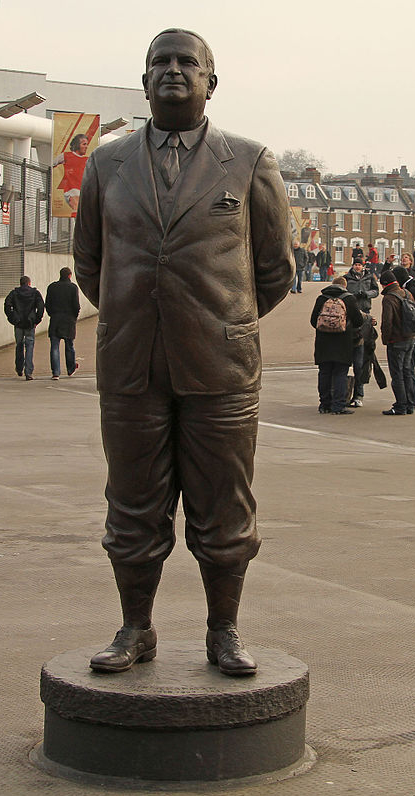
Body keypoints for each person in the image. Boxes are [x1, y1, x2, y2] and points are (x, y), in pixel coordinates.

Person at [73, 28, 295, 677]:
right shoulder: (106, 164)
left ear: (210, 82)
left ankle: (223, 630)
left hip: (221, 367)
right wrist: (137, 315)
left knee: (224, 505)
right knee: (132, 503)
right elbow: (90, 262)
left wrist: (221, 322)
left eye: (186, 62)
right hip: (131, 366)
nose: (172, 71)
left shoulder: (251, 162)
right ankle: (135, 628)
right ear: (144, 82)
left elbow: (275, 271)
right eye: (159, 63)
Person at [311, 276, 364, 414]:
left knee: (324, 372)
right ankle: (338, 406)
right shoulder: (349, 299)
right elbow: (359, 321)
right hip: (342, 341)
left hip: (323, 342)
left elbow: (313, 321)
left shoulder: (321, 299)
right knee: (340, 373)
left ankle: (324, 404)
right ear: (344, 286)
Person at [378, 269, 415, 416]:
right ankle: (410, 403)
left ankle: (400, 405)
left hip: (397, 340)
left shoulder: (389, 298)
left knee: (397, 374)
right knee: (407, 371)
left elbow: (387, 322)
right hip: (410, 337)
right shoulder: (407, 293)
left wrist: (385, 339)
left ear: (384, 284)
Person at [344, 257, 379, 407]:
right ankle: (344, 392)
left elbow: (376, 291)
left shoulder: (369, 277)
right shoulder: (346, 278)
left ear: (363, 266)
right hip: (350, 315)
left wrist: (366, 294)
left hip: (365, 313)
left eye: (359, 265)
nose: (357, 267)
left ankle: (359, 394)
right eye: (355, 264)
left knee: (361, 361)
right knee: (346, 360)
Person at [392, 264, 415, 412]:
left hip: (412, 333)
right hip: (414, 332)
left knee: (408, 369)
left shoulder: (413, 289)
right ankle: (410, 401)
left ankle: (410, 401)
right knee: (408, 369)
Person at [3, 275, 44, 380]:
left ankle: (19, 367)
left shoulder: (14, 293)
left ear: (20, 283)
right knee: (29, 346)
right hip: (30, 324)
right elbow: (40, 307)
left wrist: (12, 318)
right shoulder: (35, 293)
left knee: (19, 345)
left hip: (18, 323)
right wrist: (37, 320)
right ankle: (28, 371)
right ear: (29, 283)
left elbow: (7, 305)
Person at [45, 267, 81, 380]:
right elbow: (76, 305)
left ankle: (56, 372)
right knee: (69, 345)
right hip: (69, 320)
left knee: (54, 347)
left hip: (55, 319)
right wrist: (74, 317)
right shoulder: (73, 288)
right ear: (70, 275)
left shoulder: (52, 287)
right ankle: (70, 369)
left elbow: (48, 304)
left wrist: (52, 314)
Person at [53, 132, 91, 213]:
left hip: (83, 191)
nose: (86, 147)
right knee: (77, 210)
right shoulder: (66, 155)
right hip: (71, 190)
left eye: (87, 144)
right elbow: (52, 164)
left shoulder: (87, 160)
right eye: (84, 144)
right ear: (77, 145)